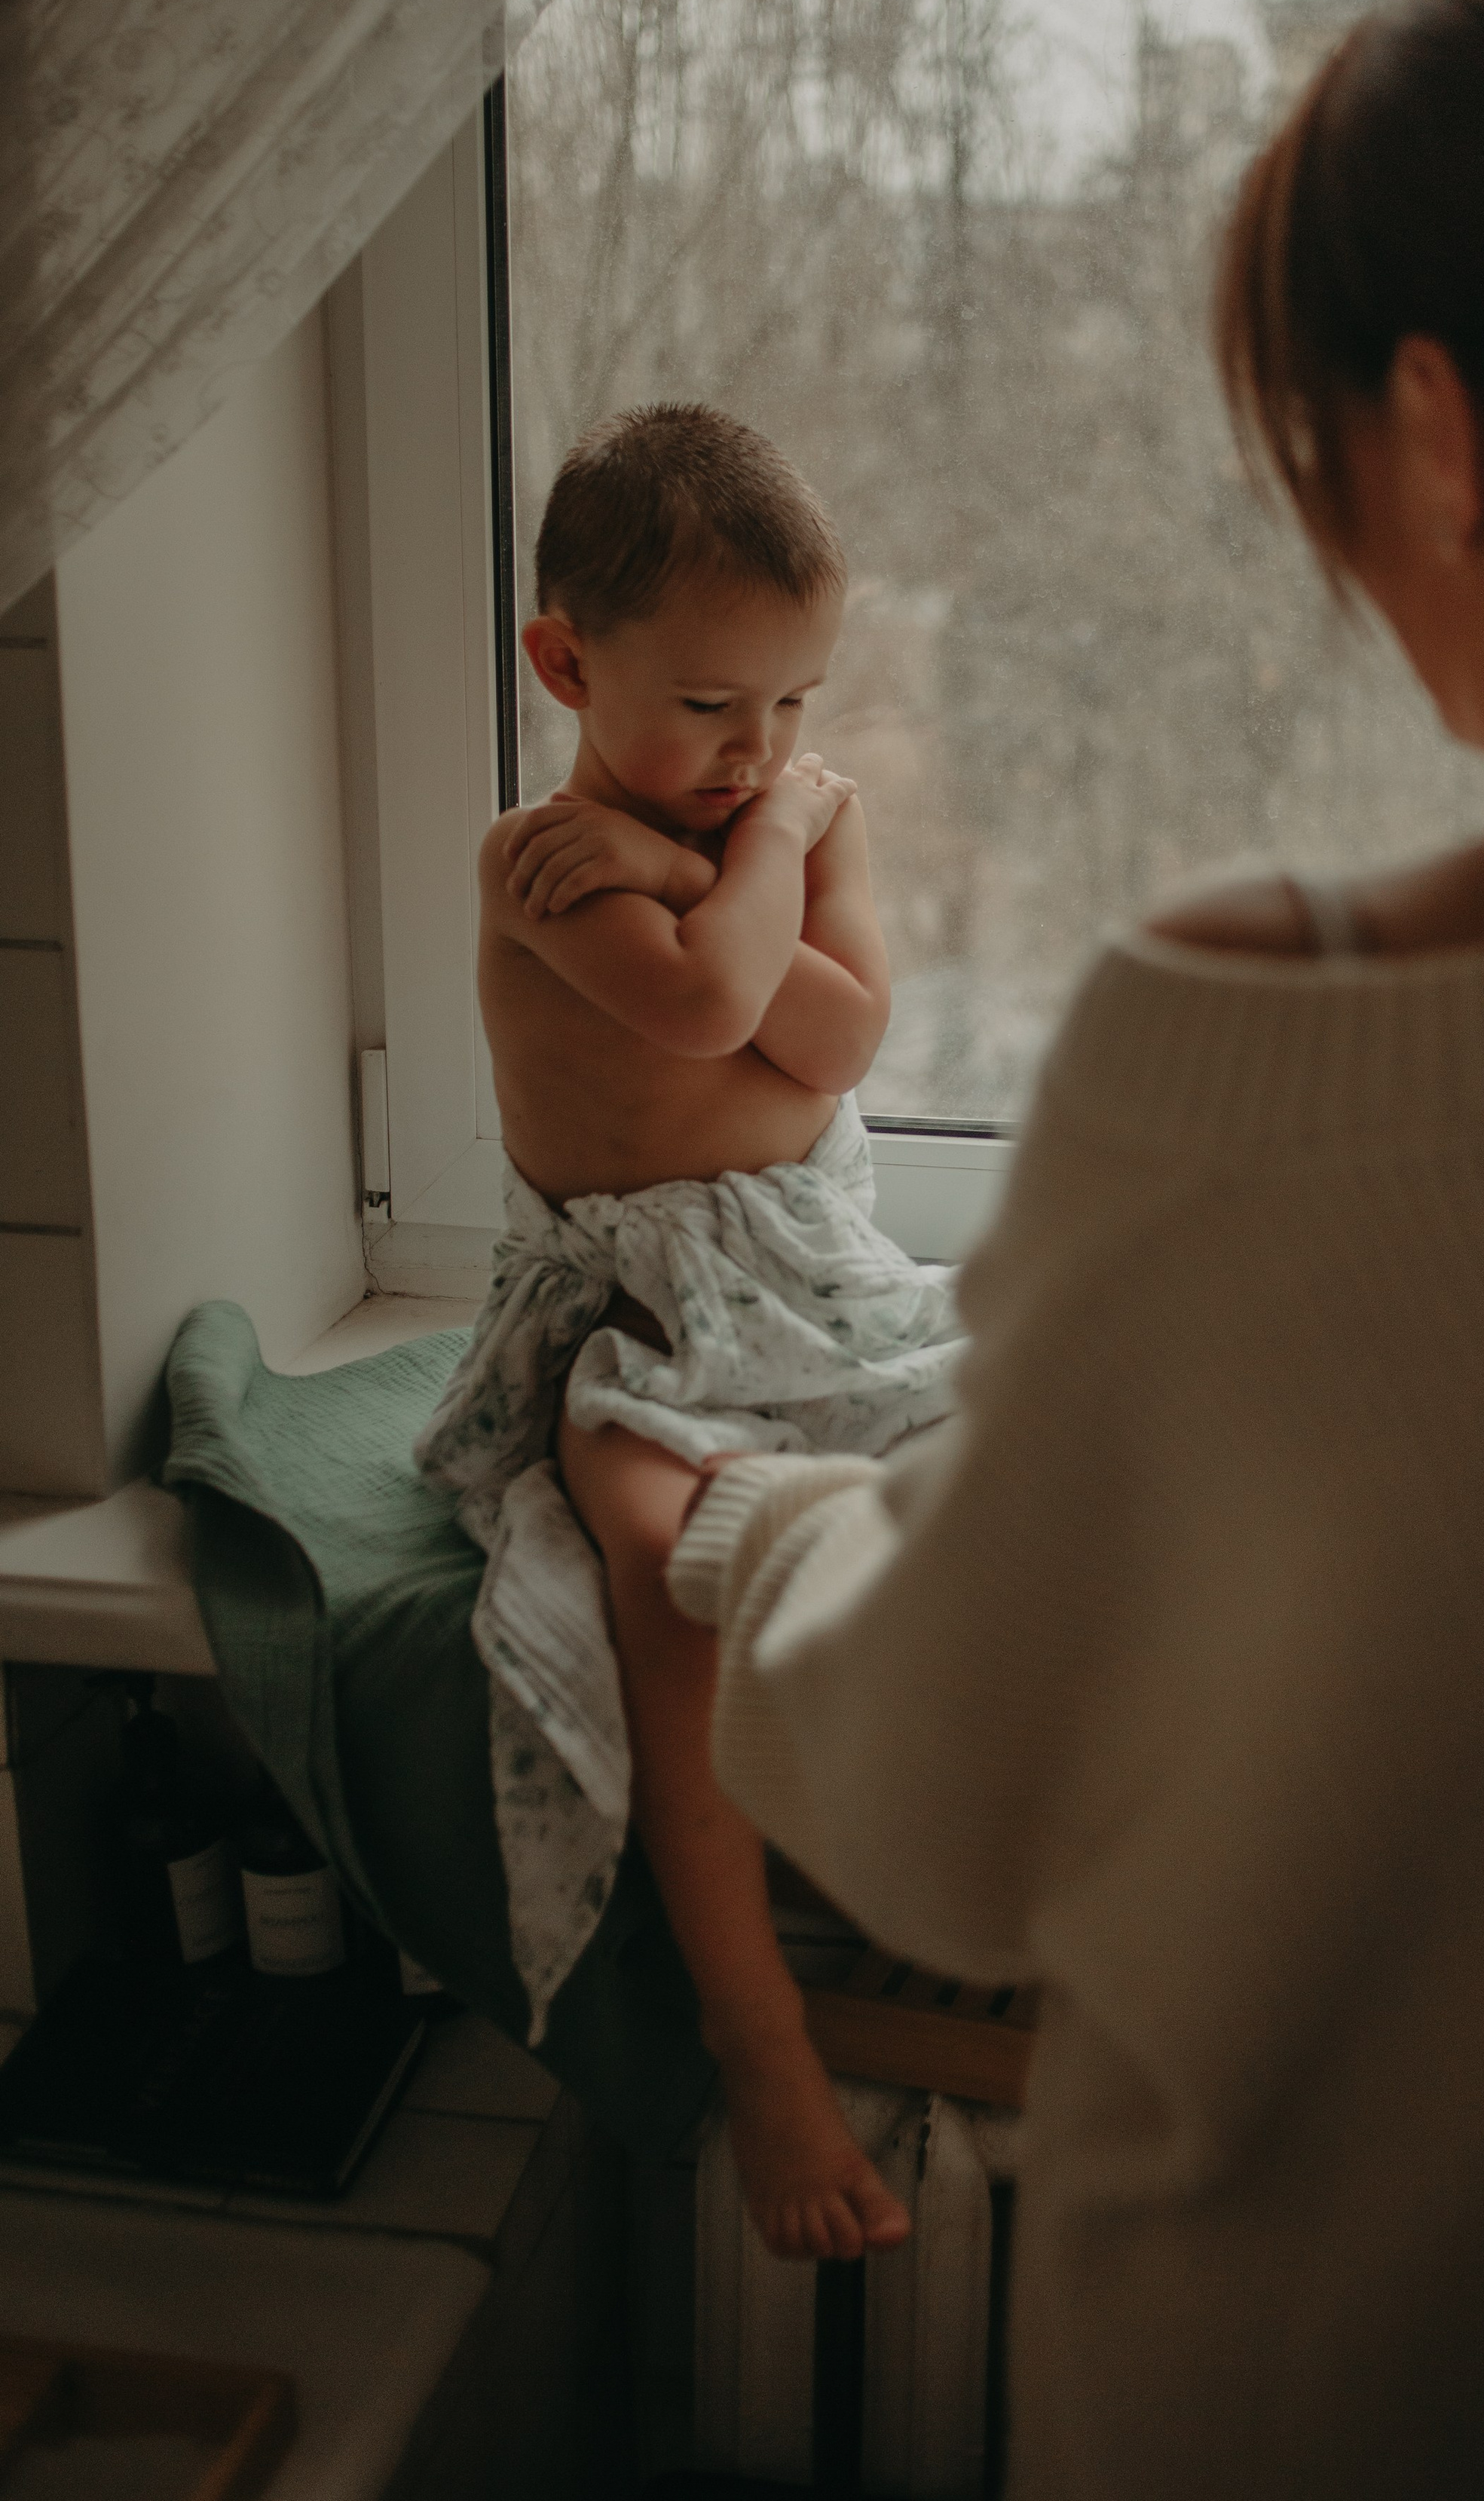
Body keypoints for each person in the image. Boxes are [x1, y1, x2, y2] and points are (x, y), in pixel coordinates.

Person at [598, 0, 1484, 2496]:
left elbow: (955, 1798)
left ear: (1435, 436)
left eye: (1306, 460)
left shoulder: (1265, 1046)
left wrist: (740, 1535)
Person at [415, 404, 963, 2260]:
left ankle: (976, 1899)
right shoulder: (534, 860)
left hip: (809, 1271)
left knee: (1005, 1476)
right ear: (565, 663)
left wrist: (708, 864)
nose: (762, 757)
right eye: (716, 708)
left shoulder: (796, 821)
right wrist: (697, 879)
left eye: (796, 708)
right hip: (628, 1314)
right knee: (658, 1575)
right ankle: (758, 2037)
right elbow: (708, 1005)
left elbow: (824, 1045)